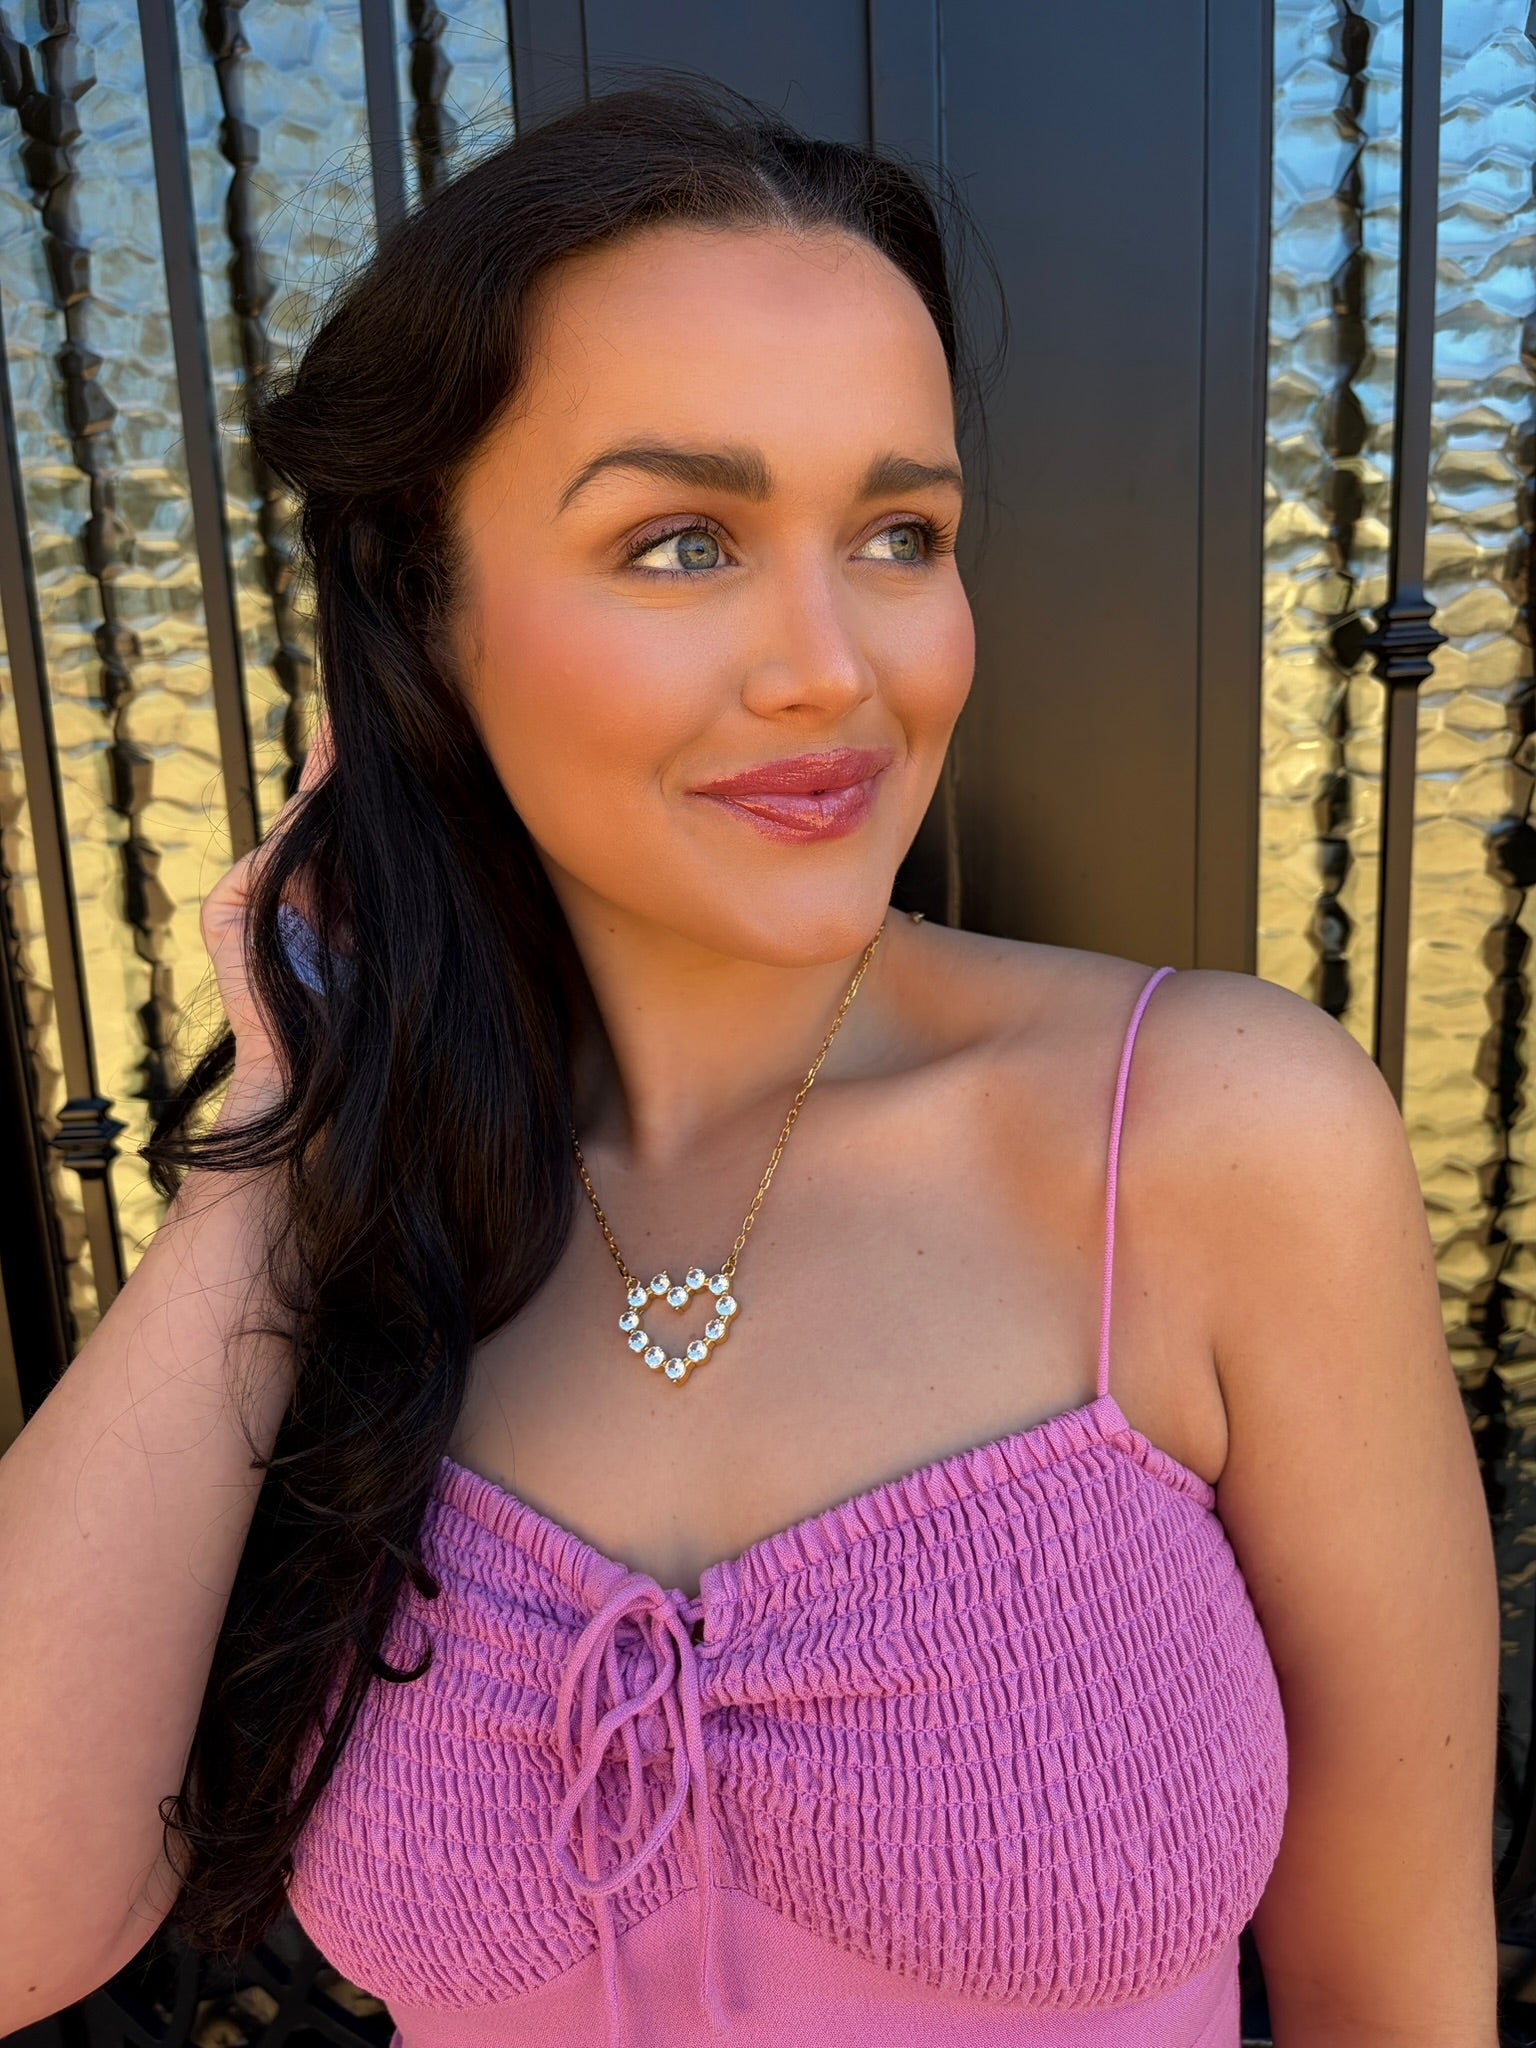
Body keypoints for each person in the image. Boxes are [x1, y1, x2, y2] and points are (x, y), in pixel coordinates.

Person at [0, 77, 1498, 2048]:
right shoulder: (372, 1208)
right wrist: (287, 1143)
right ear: (427, 612)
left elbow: (1399, 1995)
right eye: (684, 540)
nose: (831, 666)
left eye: (898, 533)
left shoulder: (1219, 1141)